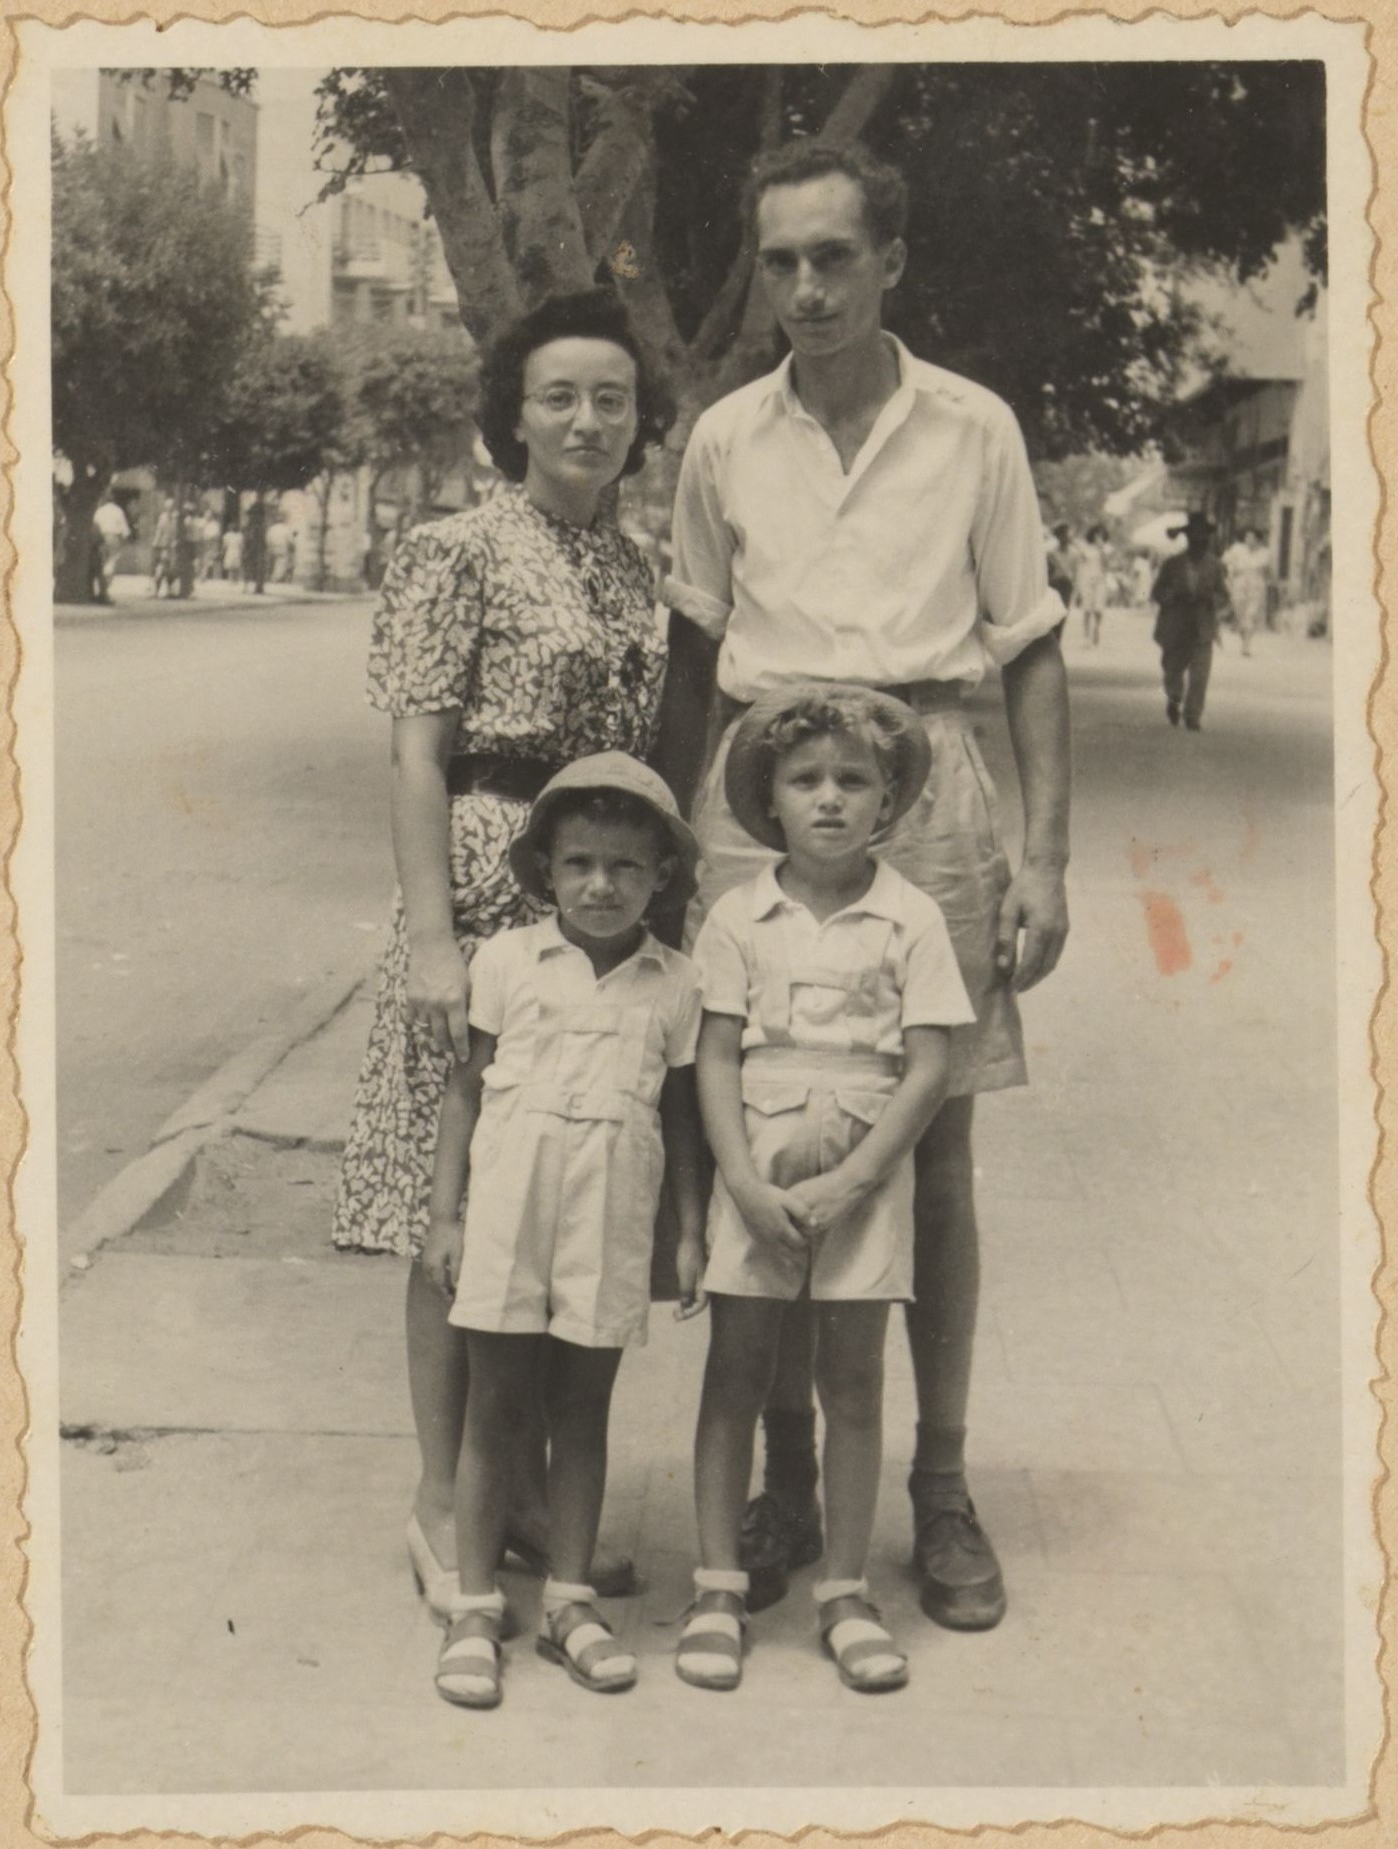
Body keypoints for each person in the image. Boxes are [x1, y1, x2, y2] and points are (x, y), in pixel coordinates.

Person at [656, 139, 1071, 1632]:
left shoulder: (974, 428)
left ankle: (938, 1485)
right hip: (756, 797)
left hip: (935, 793)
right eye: (779, 262)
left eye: (834, 257)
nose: (806, 289)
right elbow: (696, 653)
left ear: (891, 261)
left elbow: (1026, 644)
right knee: (761, 1123)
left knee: (932, 1156)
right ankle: (783, 1480)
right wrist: (661, 848)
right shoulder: (722, 436)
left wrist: (1047, 852)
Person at [332, 289, 677, 1627]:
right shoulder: (453, 549)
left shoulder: (640, 570)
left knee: (556, 1196)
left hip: (595, 904)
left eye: (611, 398)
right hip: (479, 885)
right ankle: (440, 1496)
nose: (588, 419)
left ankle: (526, 1491)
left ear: (638, 421)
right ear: (513, 417)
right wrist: (432, 937)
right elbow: (417, 751)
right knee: (456, 1205)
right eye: (559, 397)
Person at [679, 687, 972, 1695]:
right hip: (757, 1167)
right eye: (806, 780)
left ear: (888, 800)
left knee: (852, 1382)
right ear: (771, 799)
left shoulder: (911, 916)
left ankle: (844, 1590)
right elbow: (714, 1056)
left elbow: (928, 1065)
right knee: (738, 1374)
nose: (831, 800)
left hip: (861, 1176)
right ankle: (718, 1585)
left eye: (854, 781)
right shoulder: (737, 915)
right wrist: (740, 1183)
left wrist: (856, 1177)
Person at [424, 755, 706, 1708]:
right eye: (579, 862)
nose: (600, 884)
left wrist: (690, 1233)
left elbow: (681, 1119)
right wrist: (444, 1216)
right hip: (508, 1211)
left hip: (608, 1216)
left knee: (583, 1409)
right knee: (494, 1408)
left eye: (625, 868)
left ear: (661, 875)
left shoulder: (675, 985)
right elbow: (464, 1094)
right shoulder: (504, 960)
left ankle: (569, 1600)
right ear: (545, 866)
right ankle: (472, 1605)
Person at [1152, 510, 1231, 731]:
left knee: (1200, 674)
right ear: (1188, 539)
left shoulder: (1215, 566)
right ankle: (1174, 699)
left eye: (1204, 539)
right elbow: (1157, 592)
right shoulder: (1172, 564)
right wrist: (1173, 597)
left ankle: (1193, 715)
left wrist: (1211, 599)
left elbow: (1224, 595)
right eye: (1196, 538)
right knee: (1173, 670)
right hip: (1176, 624)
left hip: (1203, 625)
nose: (1200, 542)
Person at [1222, 526, 1270, 657]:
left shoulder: (1264, 553)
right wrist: (1231, 571)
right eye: (1247, 537)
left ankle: (1246, 646)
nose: (1248, 540)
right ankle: (1244, 638)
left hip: (1255, 585)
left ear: (1258, 539)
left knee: (1251, 615)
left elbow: (1265, 569)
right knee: (1240, 615)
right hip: (1239, 585)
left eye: (1252, 537)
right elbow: (1225, 560)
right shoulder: (1237, 549)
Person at [1072, 522, 1110, 647]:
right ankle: (1086, 635)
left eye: (1101, 535)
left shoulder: (1106, 548)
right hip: (1087, 581)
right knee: (1087, 609)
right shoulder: (1085, 548)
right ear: (1092, 535)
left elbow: (1106, 566)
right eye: (1097, 534)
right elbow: (1079, 565)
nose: (1099, 537)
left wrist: (1102, 549)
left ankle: (1096, 629)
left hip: (1100, 581)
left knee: (1099, 609)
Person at [93, 495, 131, 598]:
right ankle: (105, 589)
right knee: (112, 561)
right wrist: (125, 539)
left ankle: (103, 590)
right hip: (113, 537)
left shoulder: (99, 511)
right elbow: (124, 529)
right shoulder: (118, 511)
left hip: (101, 538)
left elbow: (95, 525)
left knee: (102, 562)